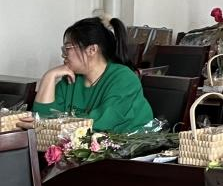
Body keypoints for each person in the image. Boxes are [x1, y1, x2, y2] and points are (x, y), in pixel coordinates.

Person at [24, 17, 154, 133]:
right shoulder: (70, 79)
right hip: (83, 147)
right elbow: (40, 118)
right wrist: (49, 76)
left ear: (92, 50)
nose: (63, 55)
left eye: (67, 48)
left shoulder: (124, 78)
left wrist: (48, 124)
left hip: (129, 147)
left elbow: (102, 122)